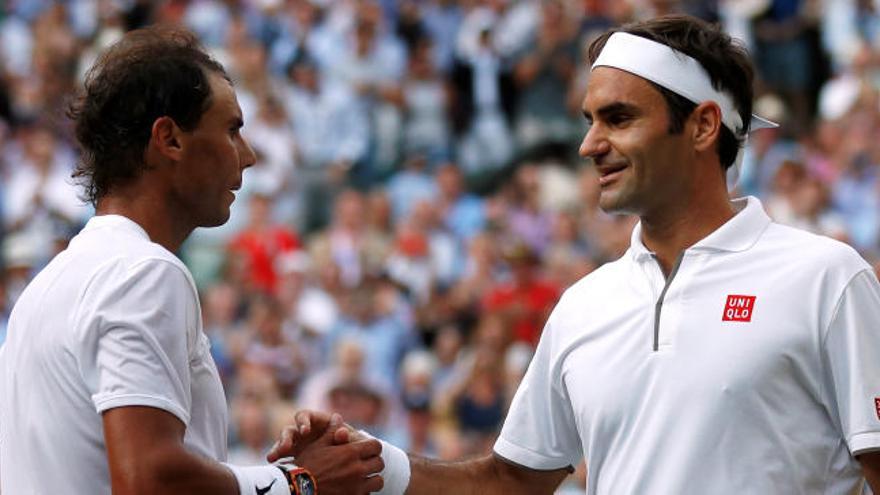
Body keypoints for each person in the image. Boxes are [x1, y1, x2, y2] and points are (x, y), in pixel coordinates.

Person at [278, 15, 880, 494]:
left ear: (702, 127)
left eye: (618, 118)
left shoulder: (827, 279)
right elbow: (511, 483)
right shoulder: (584, 304)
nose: (591, 144)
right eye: (590, 120)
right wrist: (370, 460)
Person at [0, 26, 384, 495]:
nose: (248, 156)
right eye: (232, 130)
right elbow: (147, 480)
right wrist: (301, 482)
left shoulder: (46, 287)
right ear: (170, 139)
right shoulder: (142, 272)